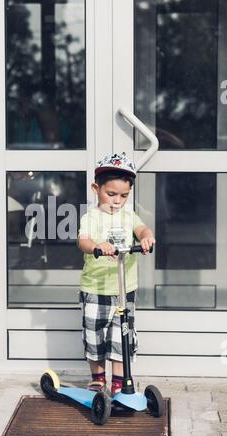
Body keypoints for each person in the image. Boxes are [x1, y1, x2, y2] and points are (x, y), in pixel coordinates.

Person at [78, 152, 155, 396]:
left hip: (124, 289)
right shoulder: (91, 218)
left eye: (123, 195)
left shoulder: (128, 216)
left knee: (121, 338)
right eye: (111, 194)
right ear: (96, 188)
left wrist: (146, 238)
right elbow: (83, 241)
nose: (117, 201)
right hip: (96, 289)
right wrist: (97, 247)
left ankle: (120, 382)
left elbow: (142, 228)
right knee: (95, 336)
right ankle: (98, 378)